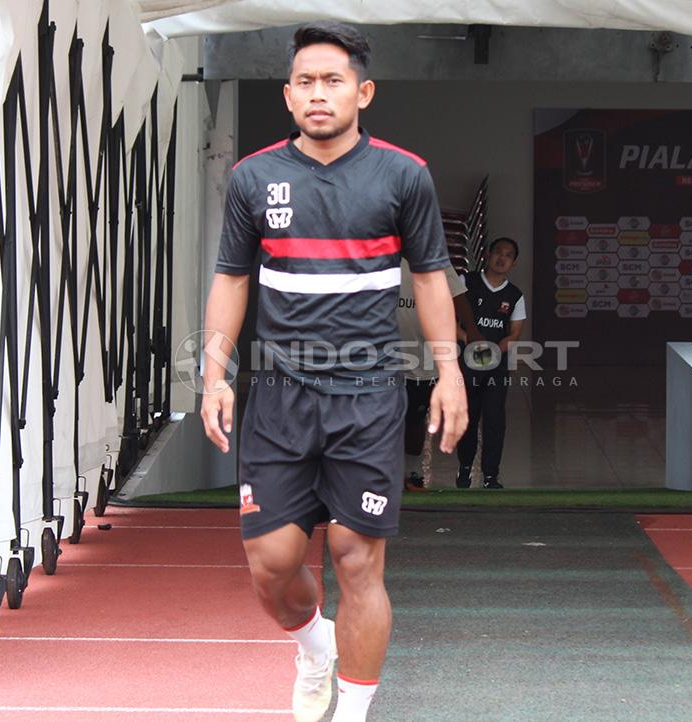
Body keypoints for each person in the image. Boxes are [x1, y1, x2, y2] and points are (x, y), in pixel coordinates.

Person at [198, 22, 467, 722]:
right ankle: (315, 645)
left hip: (369, 396)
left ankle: (352, 710)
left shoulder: (403, 175)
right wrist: (214, 373)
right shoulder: (252, 178)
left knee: (356, 558)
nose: (320, 94)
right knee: (273, 565)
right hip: (279, 399)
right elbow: (231, 281)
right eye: (307, 82)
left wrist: (450, 373)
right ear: (289, 96)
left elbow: (433, 279)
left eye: (335, 80)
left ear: (363, 91)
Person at [396, 261, 480, 492]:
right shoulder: (380, 251)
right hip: (382, 357)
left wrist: (472, 329)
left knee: (414, 420)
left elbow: (457, 296)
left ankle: (412, 473)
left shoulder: (434, 258)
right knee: (379, 420)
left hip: (424, 359)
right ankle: (382, 474)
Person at [456, 237, 526, 490]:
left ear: (513, 262)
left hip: (496, 365)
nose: (502, 258)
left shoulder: (515, 296)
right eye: (498, 252)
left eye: (508, 255)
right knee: (468, 418)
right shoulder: (467, 283)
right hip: (466, 363)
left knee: (495, 419)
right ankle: (464, 469)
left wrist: (493, 350)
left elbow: (515, 334)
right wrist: (470, 341)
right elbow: (446, 317)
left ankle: (490, 477)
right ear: (487, 254)